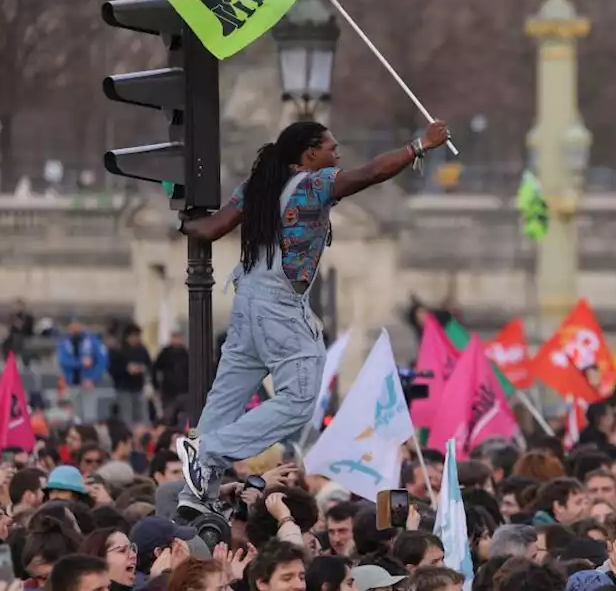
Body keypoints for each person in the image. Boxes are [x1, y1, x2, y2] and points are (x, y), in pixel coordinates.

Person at [175, 120, 450, 515]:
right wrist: (420, 145)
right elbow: (372, 173)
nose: (337, 156)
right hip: (280, 306)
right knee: (300, 399)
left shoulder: (258, 186)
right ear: (309, 154)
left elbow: (213, 227)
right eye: (331, 149)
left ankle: (197, 495)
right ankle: (207, 451)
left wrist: (182, 220)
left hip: (247, 302)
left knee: (225, 399)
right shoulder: (313, 184)